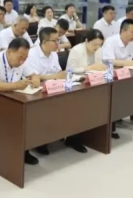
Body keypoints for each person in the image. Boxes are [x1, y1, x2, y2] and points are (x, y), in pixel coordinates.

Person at [25, 27, 87, 155]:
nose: (58, 43)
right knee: (46, 109)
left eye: (58, 40)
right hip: (37, 91)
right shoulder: (31, 54)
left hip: (54, 88)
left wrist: (60, 75)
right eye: (55, 41)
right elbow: (34, 77)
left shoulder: (53, 53)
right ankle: (40, 142)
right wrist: (55, 76)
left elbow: (57, 72)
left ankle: (72, 138)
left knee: (76, 103)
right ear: (44, 42)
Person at [0, 38, 41, 165]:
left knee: (32, 114)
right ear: (9, 52)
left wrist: (35, 79)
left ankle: (25, 149)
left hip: (13, 100)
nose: (22, 61)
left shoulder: (22, 61)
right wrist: (16, 85)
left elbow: (33, 74)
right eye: (20, 58)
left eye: (25, 58)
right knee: (17, 118)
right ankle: (10, 153)